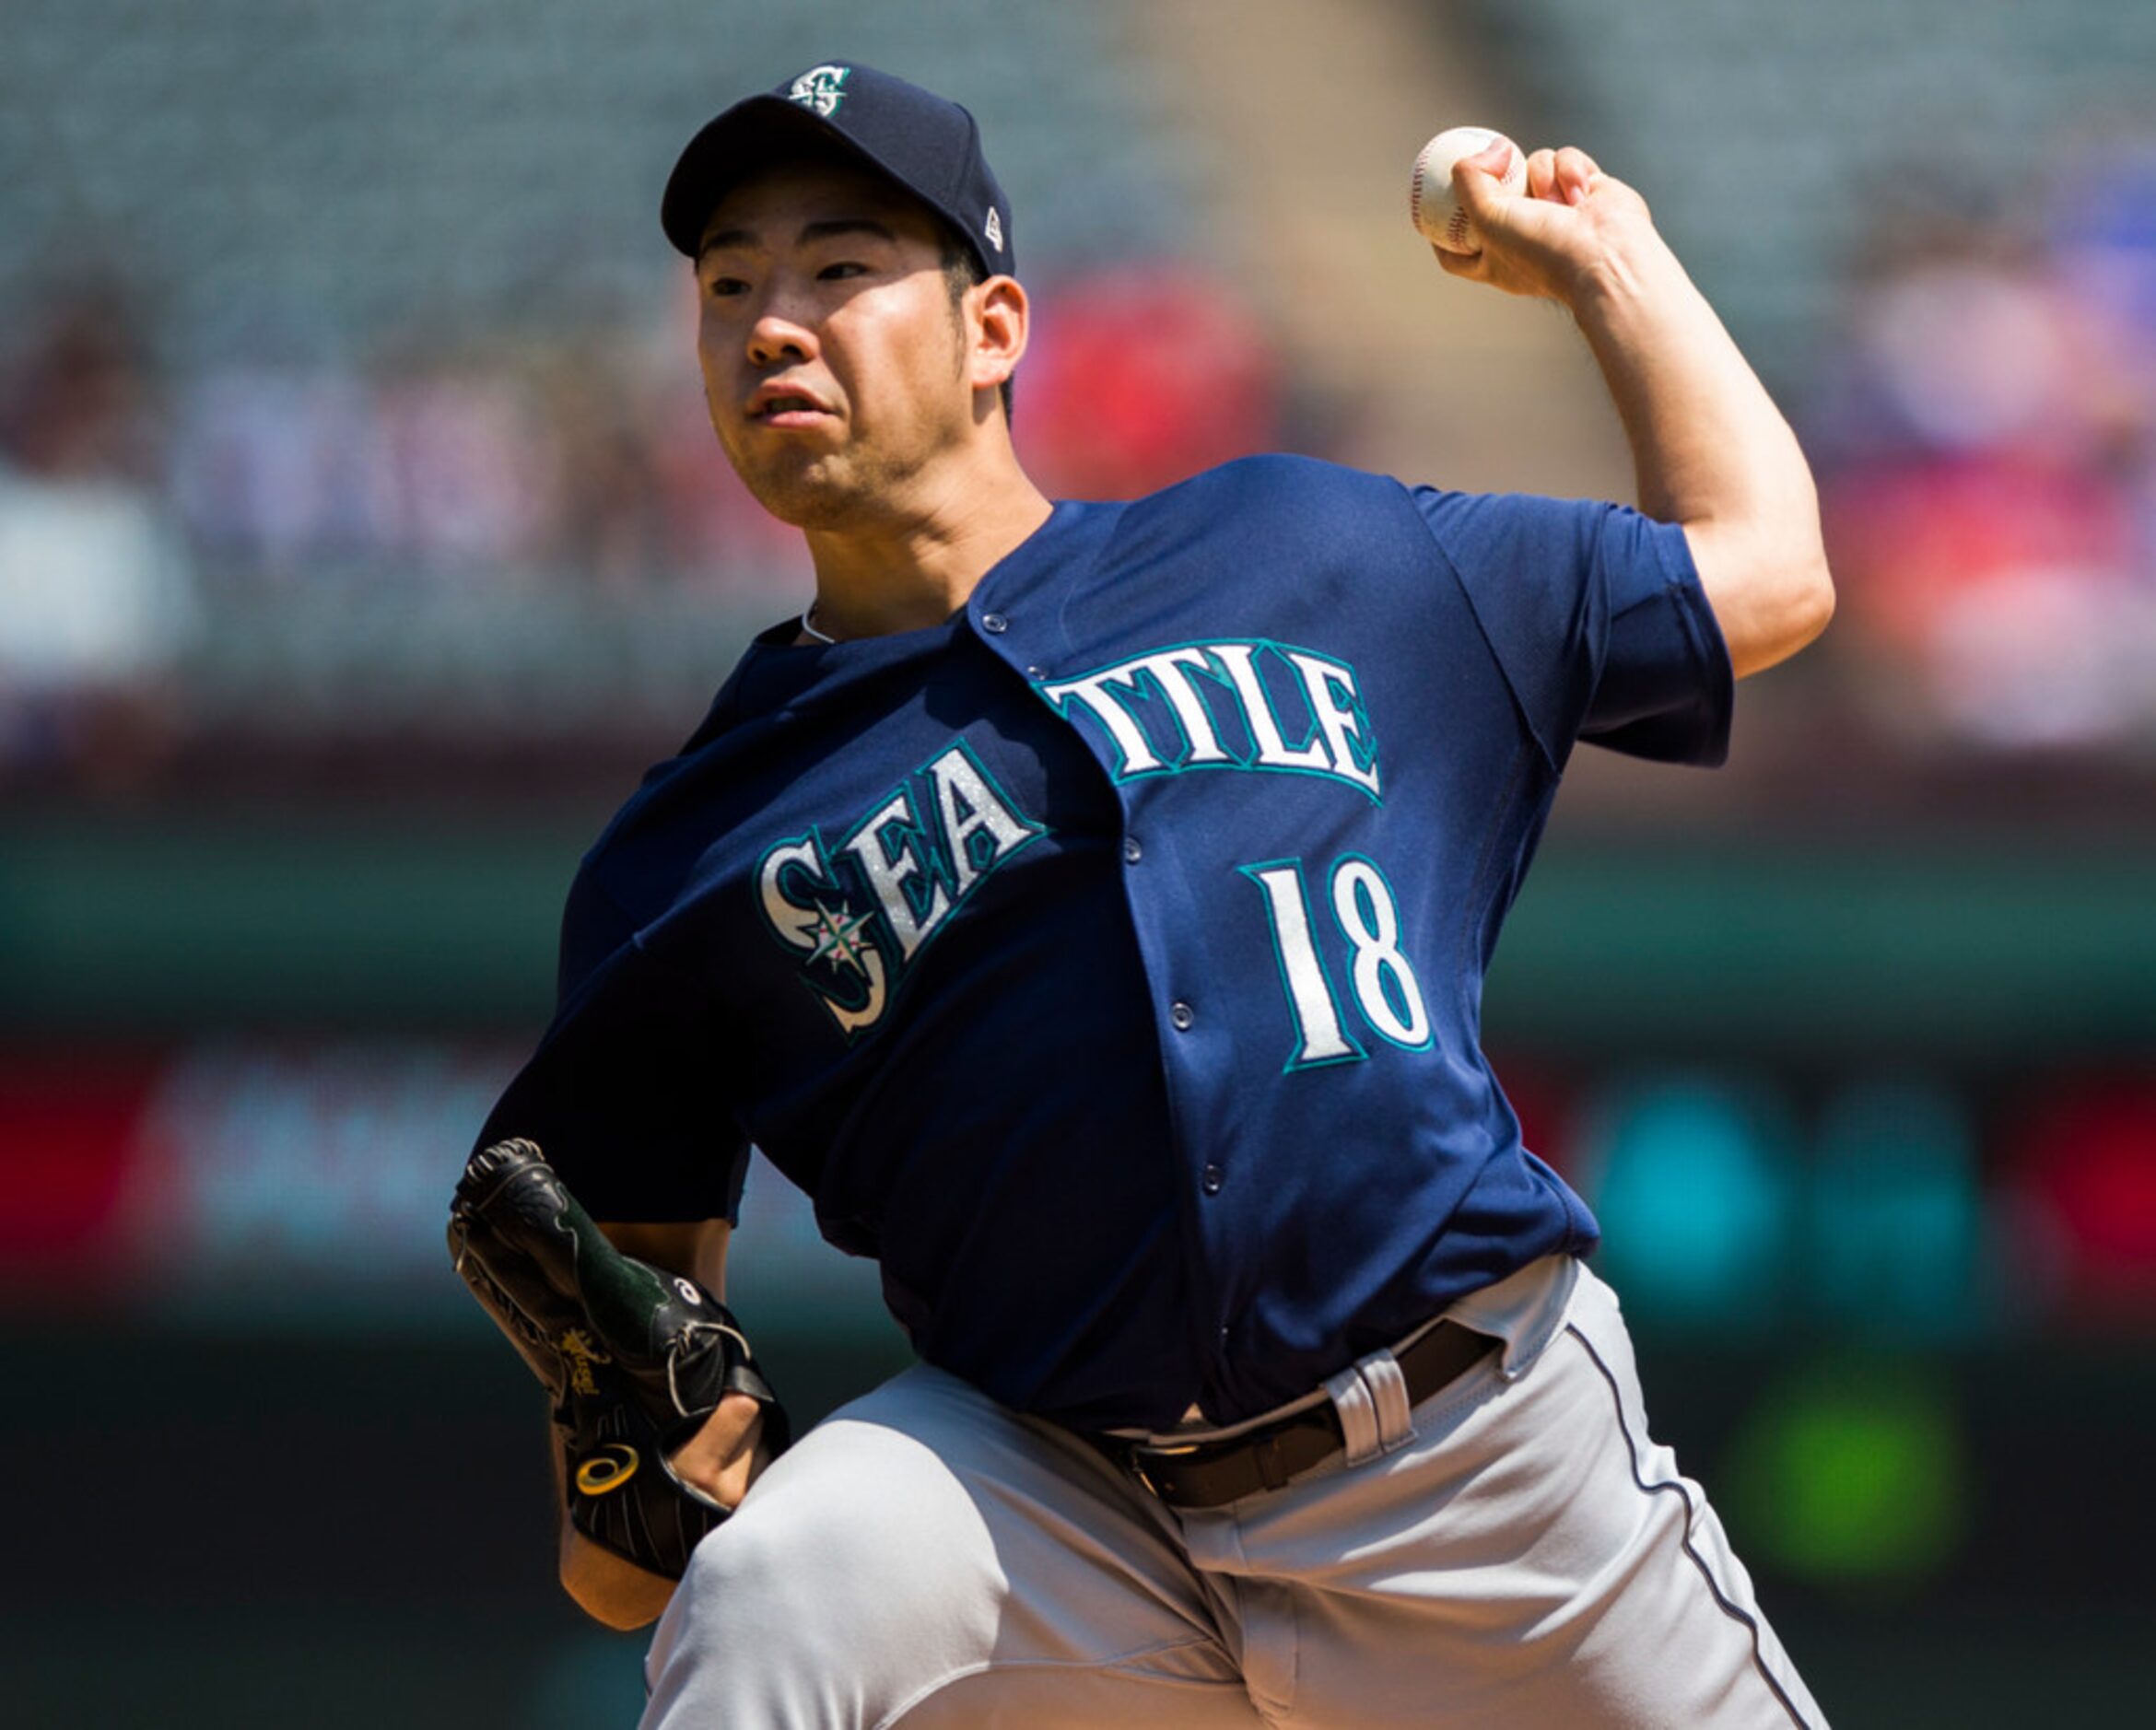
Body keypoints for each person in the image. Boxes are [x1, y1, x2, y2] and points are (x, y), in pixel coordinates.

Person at [474, 58, 1834, 1728]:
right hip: (1056, 1510)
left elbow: (1769, 571)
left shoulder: (1309, 548)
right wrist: (641, 1480)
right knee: (781, 1586)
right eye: (730, 285)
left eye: (839, 268)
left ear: (994, 329)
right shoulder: (681, 859)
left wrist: (1606, 257)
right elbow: (628, 1563)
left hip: (1477, 1474)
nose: (772, 322)